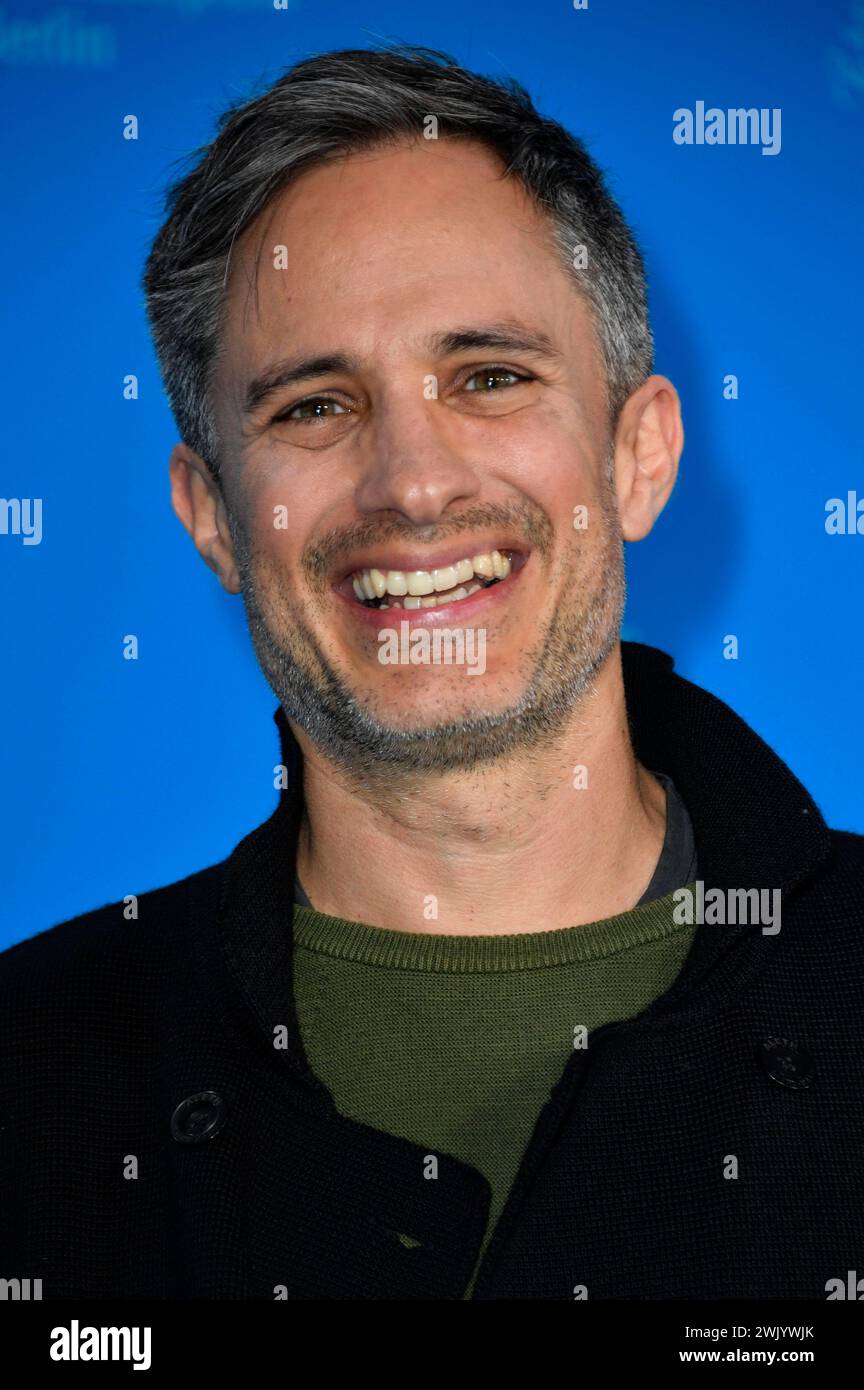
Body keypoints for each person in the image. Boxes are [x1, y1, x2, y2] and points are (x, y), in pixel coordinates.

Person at [1, 45, 861, 1301]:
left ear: (640, 456)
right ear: (213, 518)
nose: (412, 481)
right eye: (312, 406)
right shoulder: (32, 1073)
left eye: (491, 377)